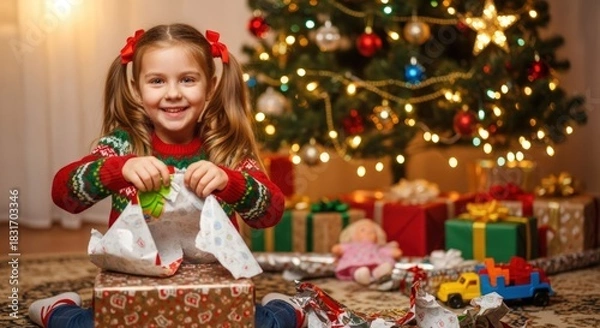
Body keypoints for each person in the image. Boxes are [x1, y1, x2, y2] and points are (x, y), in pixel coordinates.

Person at [28, 23, 306, 328]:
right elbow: (63, 194)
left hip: (213, 287)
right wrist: (118, 169)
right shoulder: (123, 145)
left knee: (269, 325)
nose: (173, 94)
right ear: (136, 88)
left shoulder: (227, 150)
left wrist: (231, 182)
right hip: (137, 281)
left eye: (188, 80)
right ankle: (59, 309)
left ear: (210, 86)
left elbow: (271, 212)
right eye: (157, 81)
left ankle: (281, 306)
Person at [331, 219, 402, 286]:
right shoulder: (351, 246)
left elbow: (395, 253)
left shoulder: (377, 247)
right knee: (355, 269)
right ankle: (359, 274)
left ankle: (378, 273)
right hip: (354, 263)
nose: (368, 232)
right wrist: (337, 250)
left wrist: (394, 252)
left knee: (383, 265)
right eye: (363, 230)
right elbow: (337, 249)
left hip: (375, 262)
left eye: (372, 231)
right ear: (353, 234)